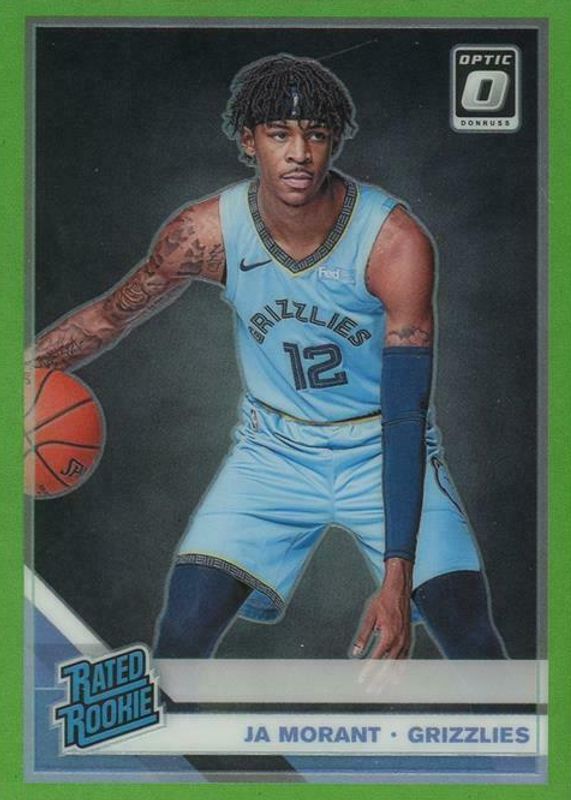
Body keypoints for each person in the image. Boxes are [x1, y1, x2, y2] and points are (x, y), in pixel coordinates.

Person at [32, 54, 506, 661]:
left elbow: (406, 414)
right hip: (274, 452)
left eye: (316, 135)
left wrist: (396, 580)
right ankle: (175, 730)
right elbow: (109, 315)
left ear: (334, 141)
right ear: (248, 140)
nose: (299, 153)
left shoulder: (392, 241)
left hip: (379, 446)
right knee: (183, 626)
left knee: (467, 630)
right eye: (280, 134)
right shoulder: (205, 233)